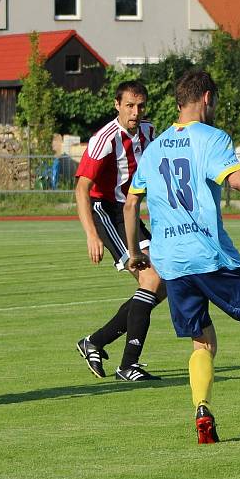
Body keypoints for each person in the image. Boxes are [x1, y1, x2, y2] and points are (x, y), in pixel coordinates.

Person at [123, 70, 240, 444]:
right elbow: (236, 180)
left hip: (172, 262)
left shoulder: (154, 147)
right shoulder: (212, 137)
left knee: (202, 342)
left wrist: (135, 253)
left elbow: (132, 202)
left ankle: (202, 409)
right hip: (209, 256)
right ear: (207, 98)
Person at [74, 80, 166, 382]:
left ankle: (95, 342)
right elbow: (81, 189)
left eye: (140, 106)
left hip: (129, 212)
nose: (135, 112)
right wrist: (91, 234)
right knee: (151, 279)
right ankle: (128, 365)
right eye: (129, 105)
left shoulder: (149, 132)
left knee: (161, 284)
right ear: (117, 105)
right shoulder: (105, 138)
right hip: (107, 212)